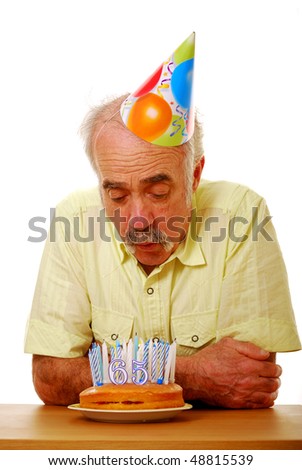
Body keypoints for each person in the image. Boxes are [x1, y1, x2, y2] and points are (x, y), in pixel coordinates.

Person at [25, 34, 301, 408]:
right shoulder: (72, 220)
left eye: (157, 193)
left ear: (194, 176)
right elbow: (50, 379)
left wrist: (103, 371)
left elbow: (249, 382)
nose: (137, 220)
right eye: (117, 195)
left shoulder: (242, 214)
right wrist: (196, 371)